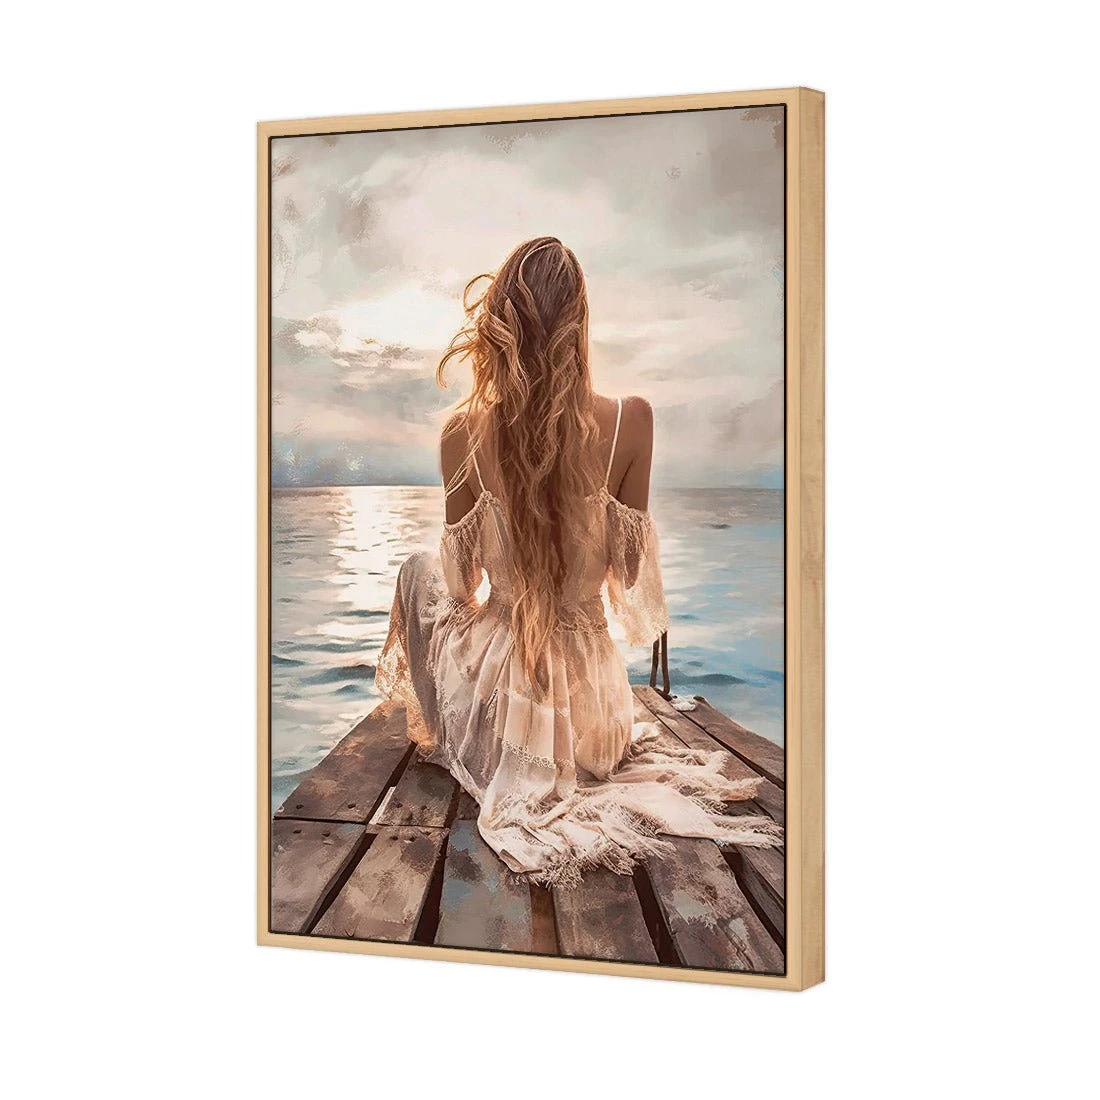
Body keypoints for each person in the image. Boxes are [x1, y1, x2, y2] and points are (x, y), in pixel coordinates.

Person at [376, 235, 782, 888]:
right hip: (596, 716)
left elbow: (458, 584)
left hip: (511, 715)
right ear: (579, 321)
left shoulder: (462, 431)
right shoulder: (632, 419)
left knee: (417, 568)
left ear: (501, 321)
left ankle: (458, 721)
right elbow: (629, 571)